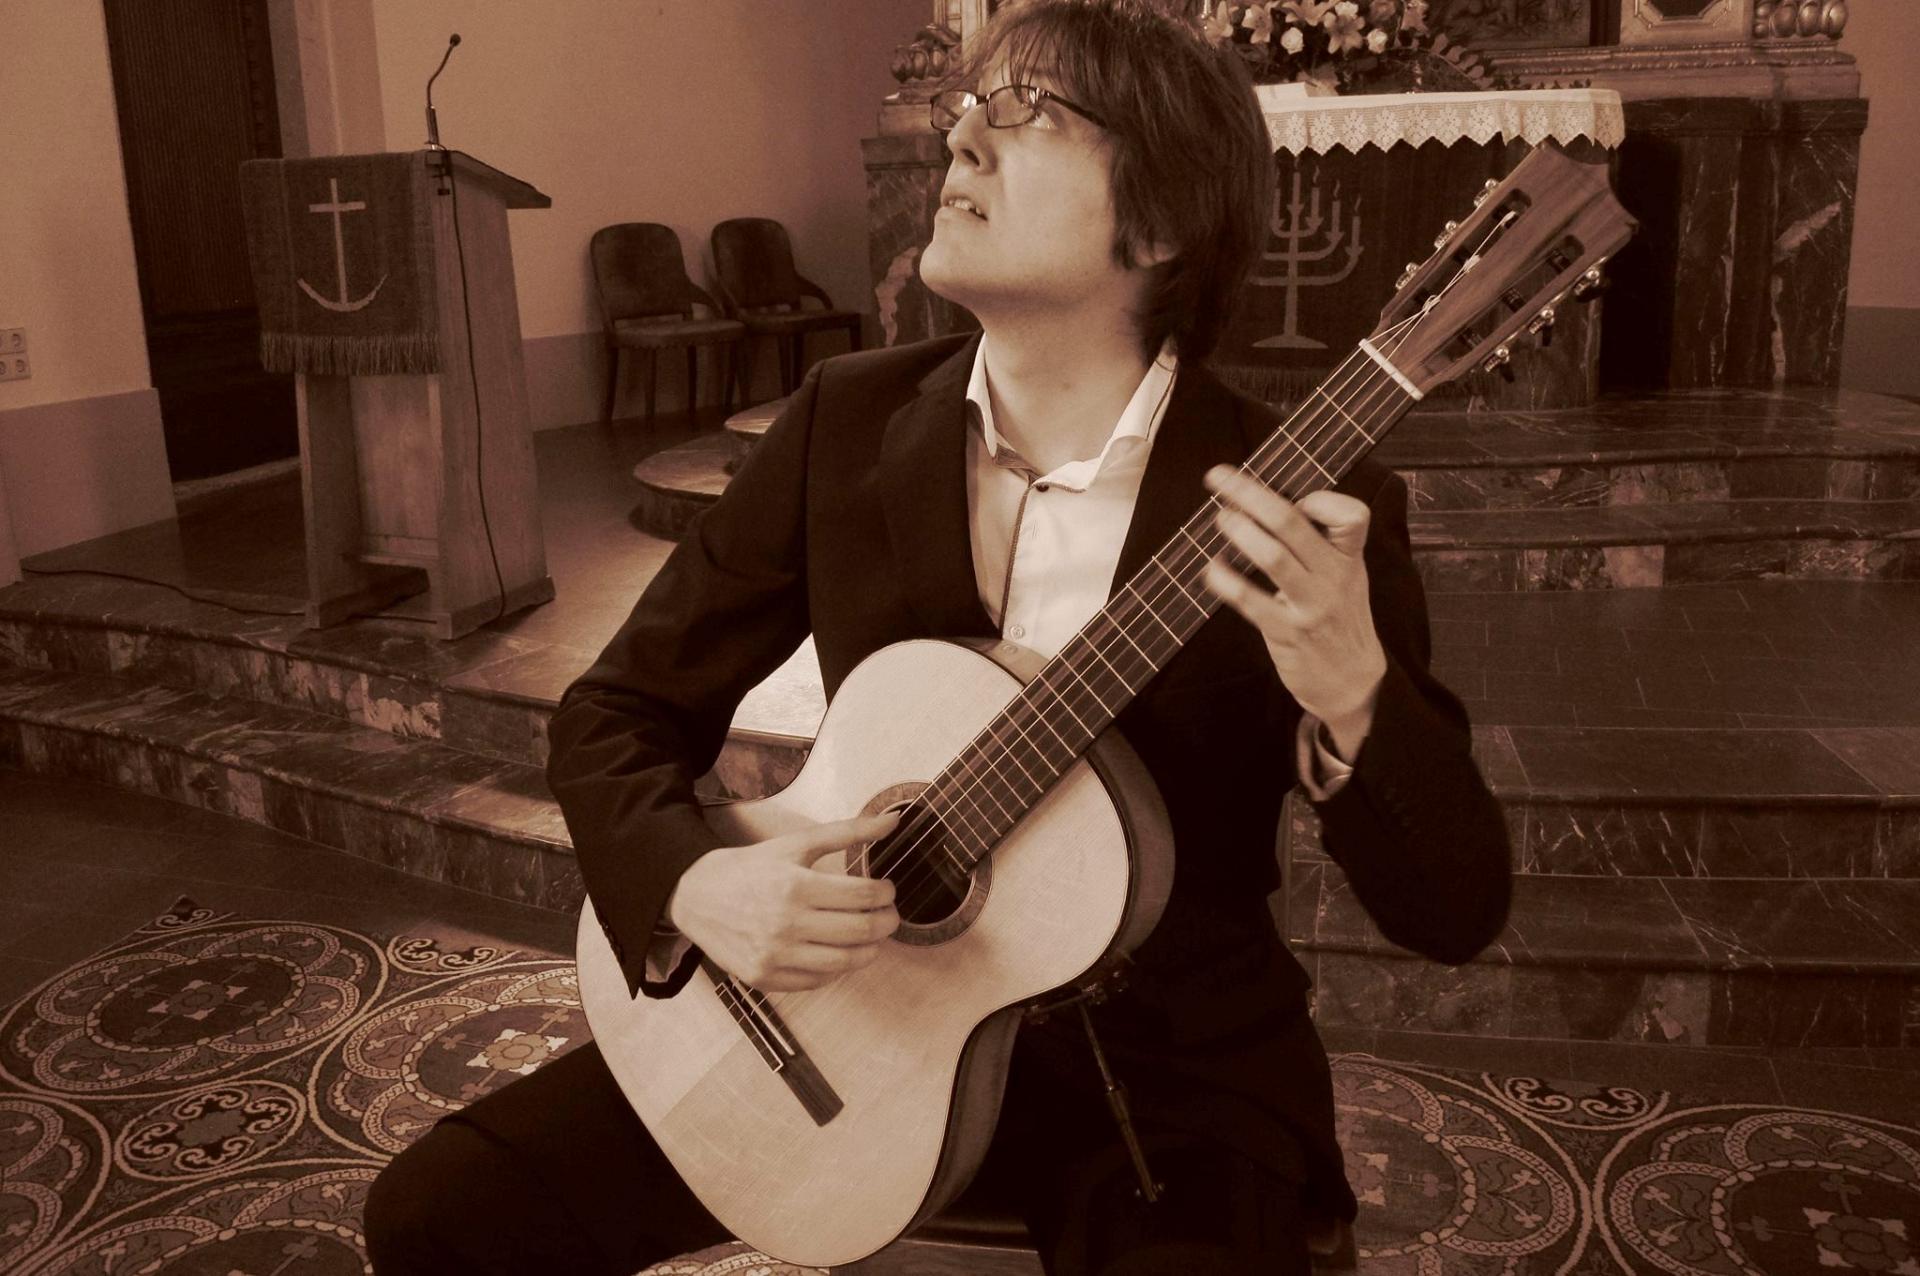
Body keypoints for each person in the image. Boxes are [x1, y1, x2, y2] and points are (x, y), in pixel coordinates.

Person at [363, 2, 1511, 1272]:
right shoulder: (844, 422)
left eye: (1029, 113)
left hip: (1162, 1077)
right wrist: (696, 882)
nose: (962, 139)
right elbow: (613, 714)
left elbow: (1454, 909)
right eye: (969, 108)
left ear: (1160, 223)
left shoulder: (1300, 505)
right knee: (436, 1215)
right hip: (830, 1017)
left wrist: (1355, 695)